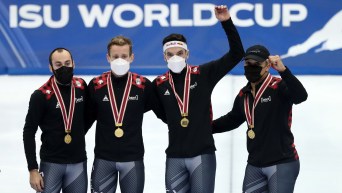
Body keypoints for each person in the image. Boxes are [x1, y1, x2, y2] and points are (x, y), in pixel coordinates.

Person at [152, 5, 244, 193]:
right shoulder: (159, 84)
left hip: (203, 154)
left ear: (187, 54)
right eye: (170, 54)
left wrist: (226, 22)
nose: (175, 57)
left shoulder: (203, 74)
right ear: (164, 57)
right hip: (175, 157)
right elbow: (163, 114)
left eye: (179, 53)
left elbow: (237, 54)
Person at [212, 45, 308, 193]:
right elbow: (232, 119)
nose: (251, 67)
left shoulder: (279, 86)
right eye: (248, 63)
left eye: (257, 64)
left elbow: (301, 96)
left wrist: (283, 71)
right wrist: (204, 127)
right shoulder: (244, 94)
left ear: (267, 65)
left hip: (282, 162)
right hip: (254, 164)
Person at [87, 35, 165, 193]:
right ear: (108, 58)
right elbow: (82, 123)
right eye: (115, 56)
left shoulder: (143, 86)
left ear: (132, 57)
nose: (119, 60)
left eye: (124, 56)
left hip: (132, 159)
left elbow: (166, 114)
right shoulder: (96, 85)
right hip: (103, 159)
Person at [23, 48, 88, 193]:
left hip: (78, 162)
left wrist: (78, 133)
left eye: (67, 63)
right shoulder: (40, 96)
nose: (64, 67)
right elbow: (29, 132)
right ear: (51, 67)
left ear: (73, 64)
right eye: (58, 65)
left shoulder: (81, 87)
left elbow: (89, 115)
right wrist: (33, 169)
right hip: (51, 163)